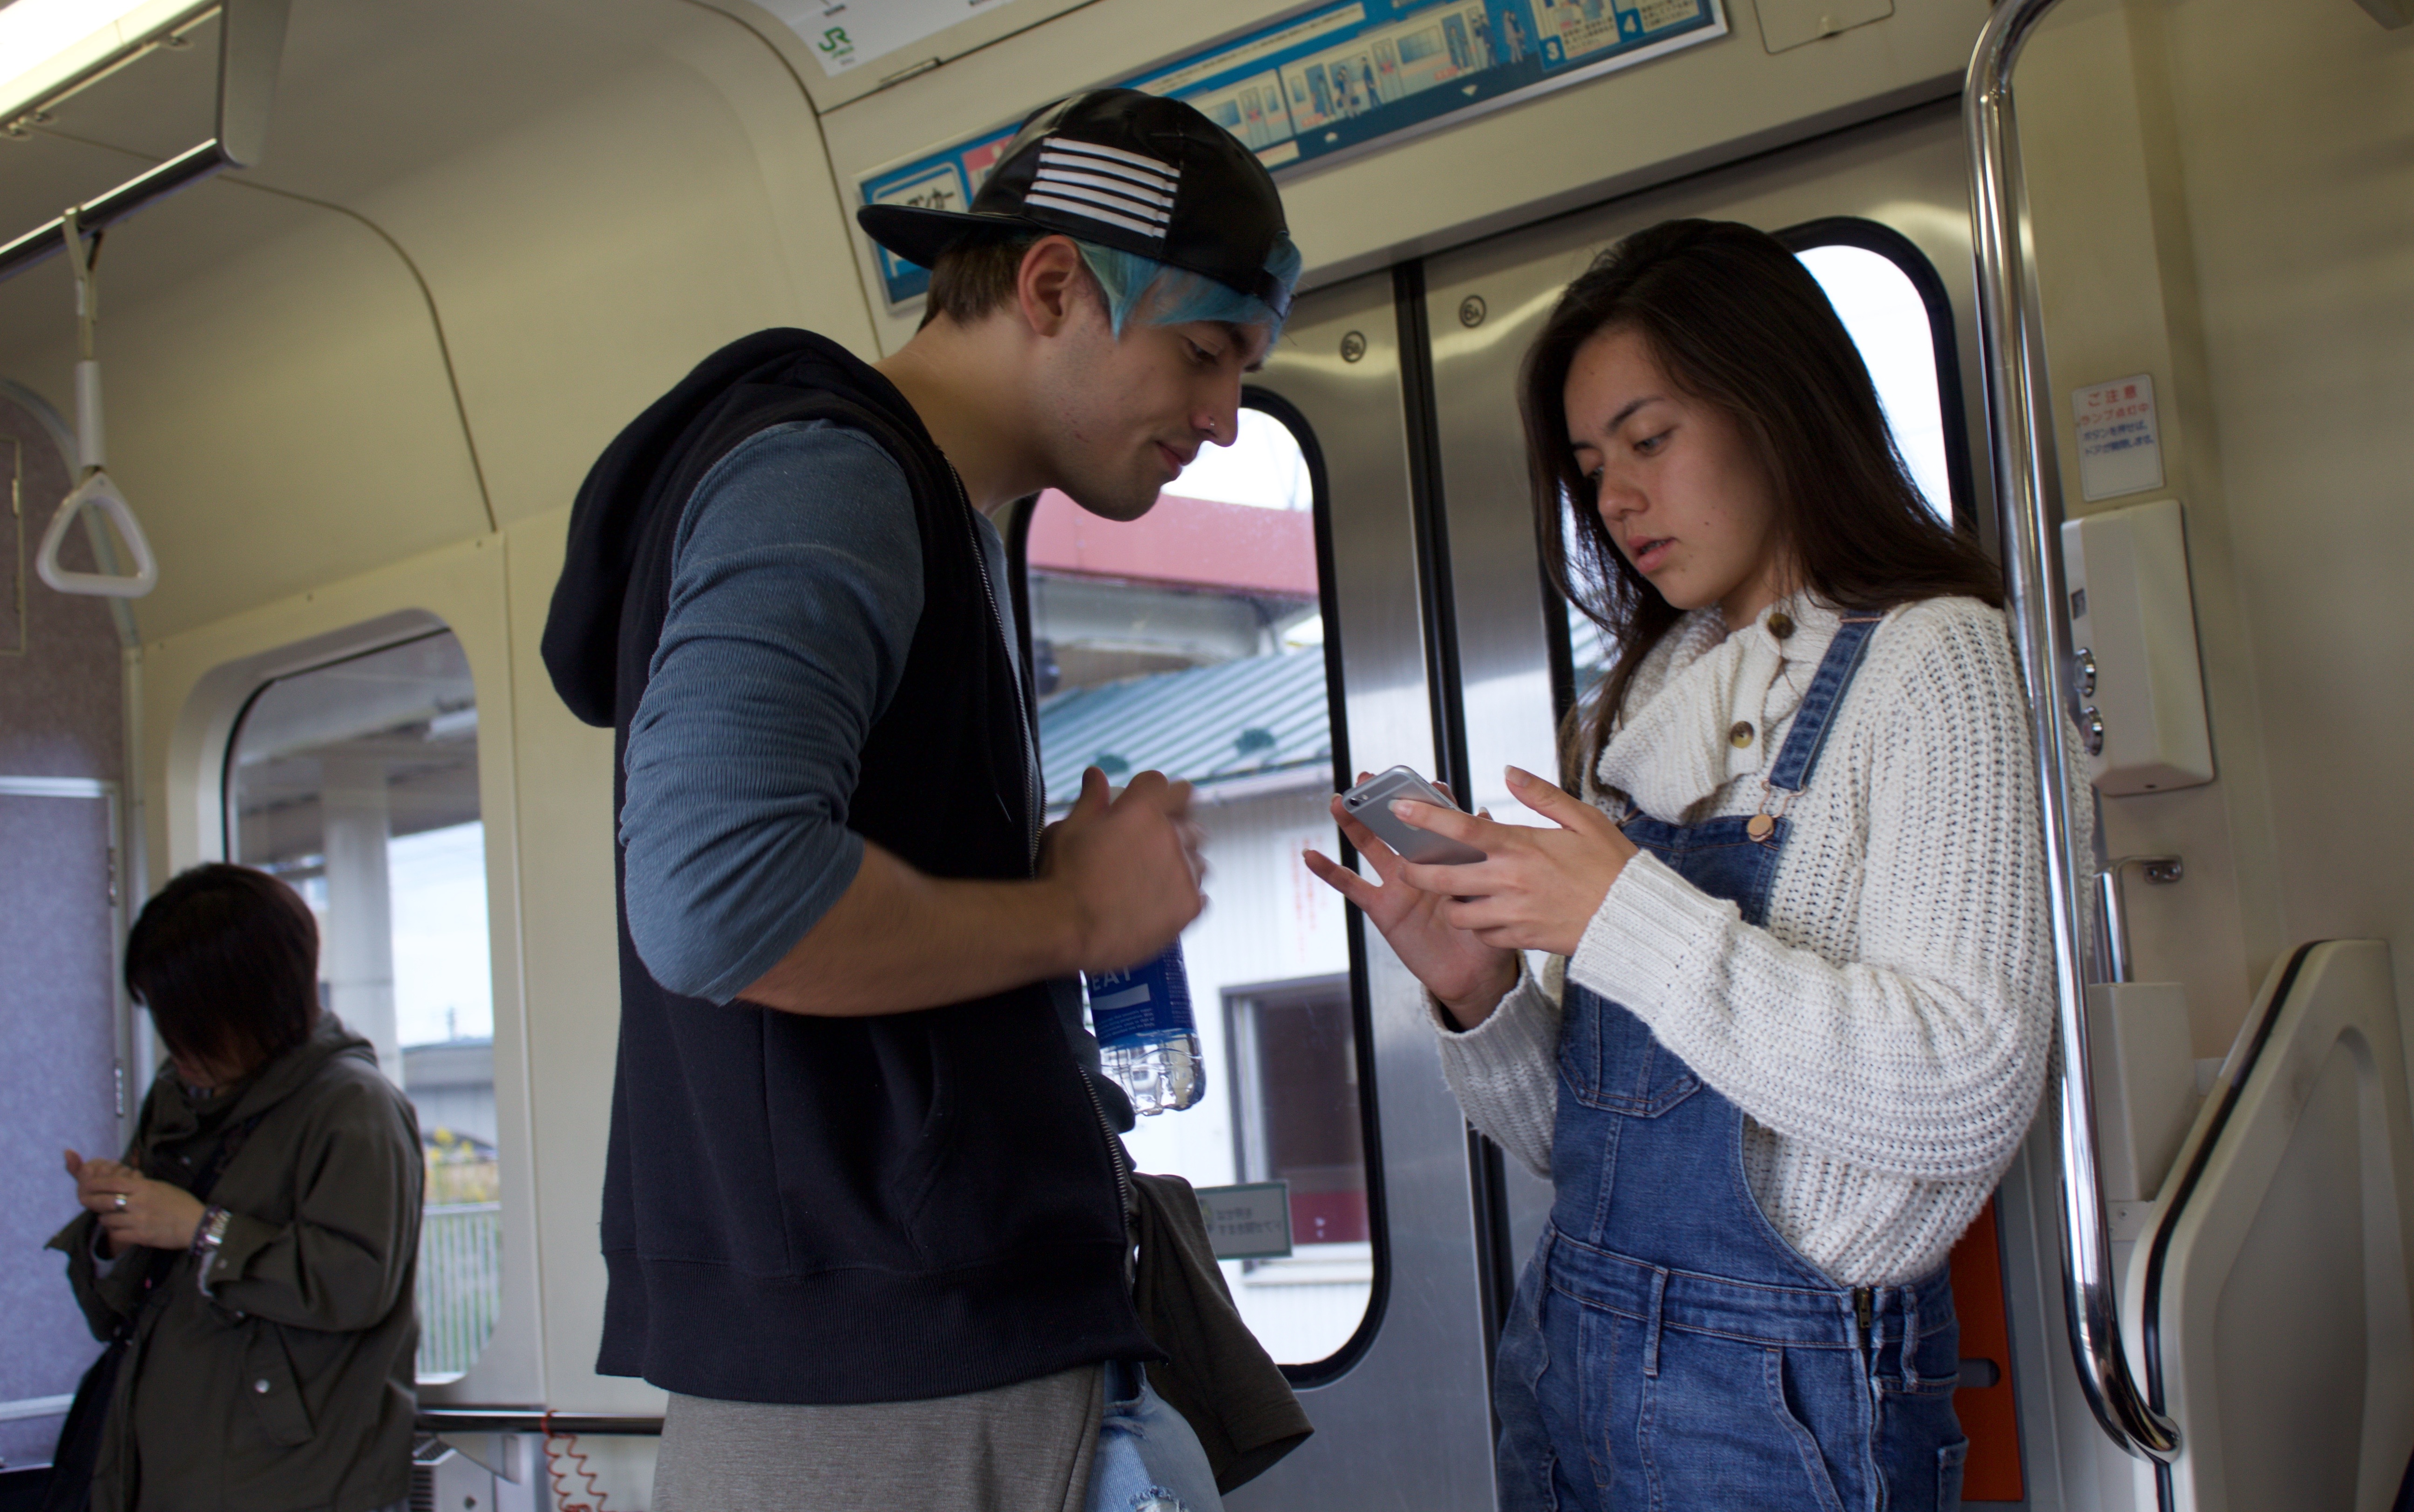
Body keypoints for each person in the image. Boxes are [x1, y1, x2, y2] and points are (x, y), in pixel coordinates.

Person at [540, 88, 1304, 1512]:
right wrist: (1074, 917)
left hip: (920, 1353)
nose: (1222, 417)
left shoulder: (932, 518)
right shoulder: (831, 479)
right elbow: (716, 902)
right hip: (890, 1383)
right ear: (1054, 286)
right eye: (1206, 354)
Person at [1304, 219, 2052, 1512]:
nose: (1614, 500)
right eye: (1592, 467)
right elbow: (1594, 1150)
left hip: (1786, 1390)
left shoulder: (1935, 659)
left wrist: (1624, 918)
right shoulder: (1648, 701)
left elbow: (1968, 1082)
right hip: (1573, 1344)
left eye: (1649, 440)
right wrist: (1479, 992)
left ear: (1782, 408)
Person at [47, 863, 422, 1512]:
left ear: (258, 1003)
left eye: (195, 1021)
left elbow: (358, 1285)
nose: (176, 1043)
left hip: (294, 1486)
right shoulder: (178, 1092)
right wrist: (118, 1222)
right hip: (156, 1471)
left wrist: (201, 1229)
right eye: (166, 1017)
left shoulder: (354, 1107)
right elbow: (117, 1311)